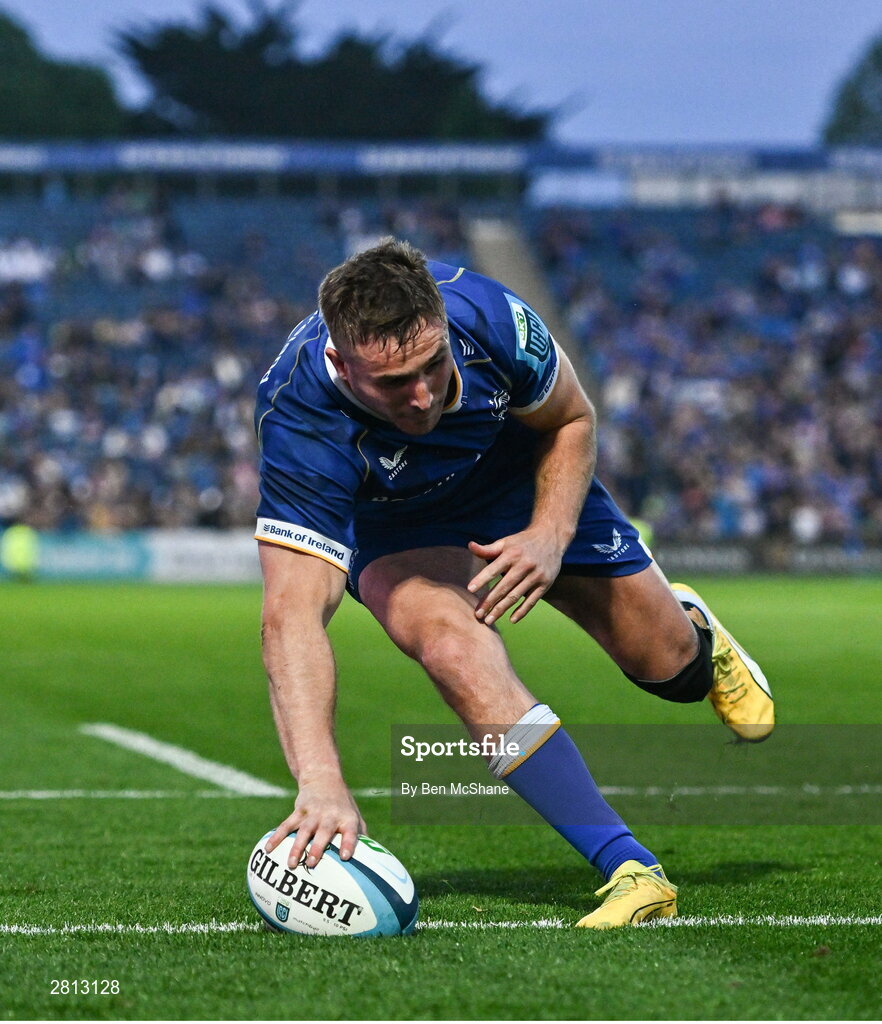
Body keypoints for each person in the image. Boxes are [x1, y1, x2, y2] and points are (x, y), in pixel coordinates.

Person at [254, 238, 774, 929]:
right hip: (401, 528)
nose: (421, 396)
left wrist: (549, 537)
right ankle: (630, 867)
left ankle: (696, 635)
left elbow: (573, 418)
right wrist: (320, 783)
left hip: (526, 486)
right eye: (391, 384)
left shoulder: (491, 316)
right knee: (449, 646)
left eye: (432, 366)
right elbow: (291, 615)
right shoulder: (299, 415)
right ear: (341, 363)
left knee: (668, 667)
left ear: (442, 325)